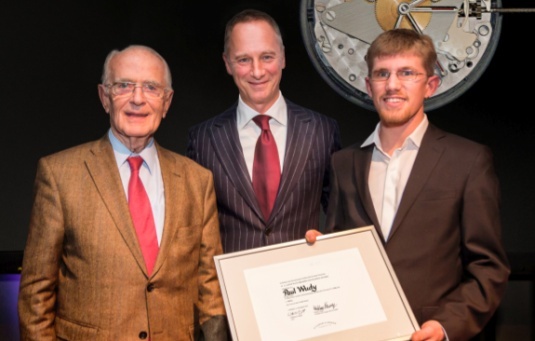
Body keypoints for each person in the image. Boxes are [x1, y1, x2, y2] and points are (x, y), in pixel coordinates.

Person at [305, 29, 510, 341]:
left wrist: (444, 326)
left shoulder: (468, 161)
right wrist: (320, 252)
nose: (392, 85)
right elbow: (341, 253)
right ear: (368, 85)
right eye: (382, 74)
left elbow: (488, 268)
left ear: (430, 85)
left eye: (407, 73)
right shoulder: (343, 163)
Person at [18, 45, 227, 340]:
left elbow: (211, 288)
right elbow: (35, 294)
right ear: (105, 97)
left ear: (166, 102)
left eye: (151, 88)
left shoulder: (197, 181)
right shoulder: (59, 174)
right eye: (124, 86)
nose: (138, 99)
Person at [187, 9, 341, 253]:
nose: (257, 72)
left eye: (267, 57)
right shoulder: (203, 140)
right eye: (243, 60)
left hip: (304, 281)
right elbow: (192, 230)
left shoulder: (322, 131)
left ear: (283, 58)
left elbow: (341, 219)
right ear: (228, 63)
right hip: (232, 287)